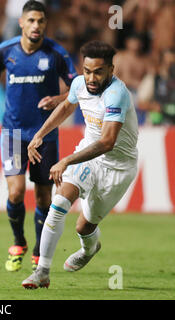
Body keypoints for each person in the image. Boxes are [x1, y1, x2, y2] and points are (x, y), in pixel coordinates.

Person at [22, 40, 138, 289]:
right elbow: (66, 106)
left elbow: (107, 142)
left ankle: (89, 248)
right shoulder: (79, 84)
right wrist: (40, 134)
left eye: (98, 71)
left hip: (118, 167)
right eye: (87, 71)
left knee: (84, 226)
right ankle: (42, 271)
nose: (91, 77)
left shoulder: (117, 94)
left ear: (111, 70)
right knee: (60, 201)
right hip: (88, 156)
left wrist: (66, 160)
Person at [0, 0, 77, 273]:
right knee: (16, 191)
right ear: (21, 22)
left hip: (44, 134)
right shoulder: (6, 49)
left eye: (41, 21)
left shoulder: (56, 53)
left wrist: (58, 98)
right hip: (12, 132)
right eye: (31, 20)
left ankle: (37, 250)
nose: (36, 26)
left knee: (44, 197)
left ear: (46, 24)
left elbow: (76, 90)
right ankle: (18, 241)